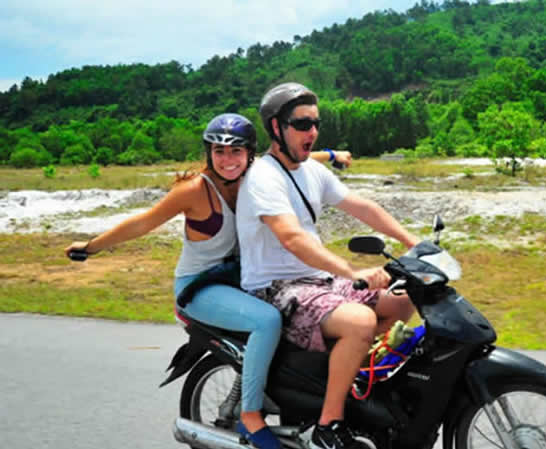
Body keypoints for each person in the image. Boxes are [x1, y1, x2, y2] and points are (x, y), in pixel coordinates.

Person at [64, 112, 351, 449]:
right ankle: (250, 417)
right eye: (219, 152)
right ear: (208, 154)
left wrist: (332, 155)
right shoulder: (194, 191)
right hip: (200, 288)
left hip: (239, 282)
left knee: (309, 311)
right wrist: (91, 247)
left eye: (236, 152)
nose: (227, 161)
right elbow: (143, 222)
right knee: (267, 321)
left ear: (249, 154)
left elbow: (295, 157)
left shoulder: (256, 178)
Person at [236, 82, 420, 449]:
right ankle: (328, 425)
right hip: (276, 288)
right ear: (276, 128)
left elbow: (361, 206)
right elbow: (292, 237)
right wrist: (350, 273)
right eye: (302, 124)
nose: (313, 132)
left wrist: (412, 241)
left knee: (406, 298)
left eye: (316, 123)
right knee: (360, 321)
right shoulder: (263, 178)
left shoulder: (311, 172)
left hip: (316, 282)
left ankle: (347, 375)